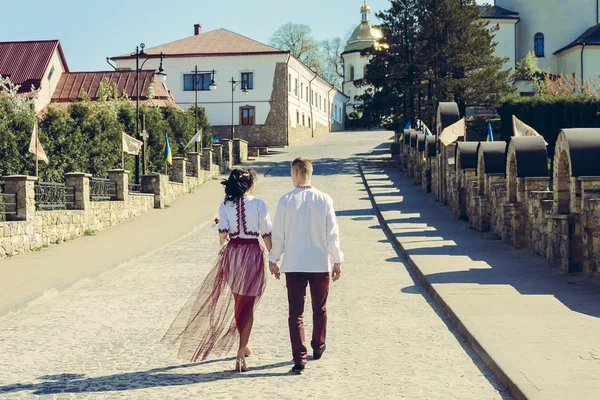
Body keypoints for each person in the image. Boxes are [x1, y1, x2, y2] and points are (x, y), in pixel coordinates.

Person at [161, 168, 272, 372]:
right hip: (252, 253)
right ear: (250, 185)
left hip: (233, 254)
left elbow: (223, 236)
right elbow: (266, 233)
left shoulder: (225, 205)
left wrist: (225, 241)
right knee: (248, 303)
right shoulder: (258, 204)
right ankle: (241, 350)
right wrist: (273, 257)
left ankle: (243, 344)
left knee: (239, 301)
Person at [269, 157, 344, 374]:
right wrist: (337, 259)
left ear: (295, 173)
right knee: (319, 308)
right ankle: (318, 346)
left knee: (296, 313)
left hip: (294, 264)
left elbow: (279, 234)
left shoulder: (285, 200)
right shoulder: (325, 199)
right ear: (310, 173)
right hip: (320, 263)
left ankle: (299, 358)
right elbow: (332, 233)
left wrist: (274, 259)